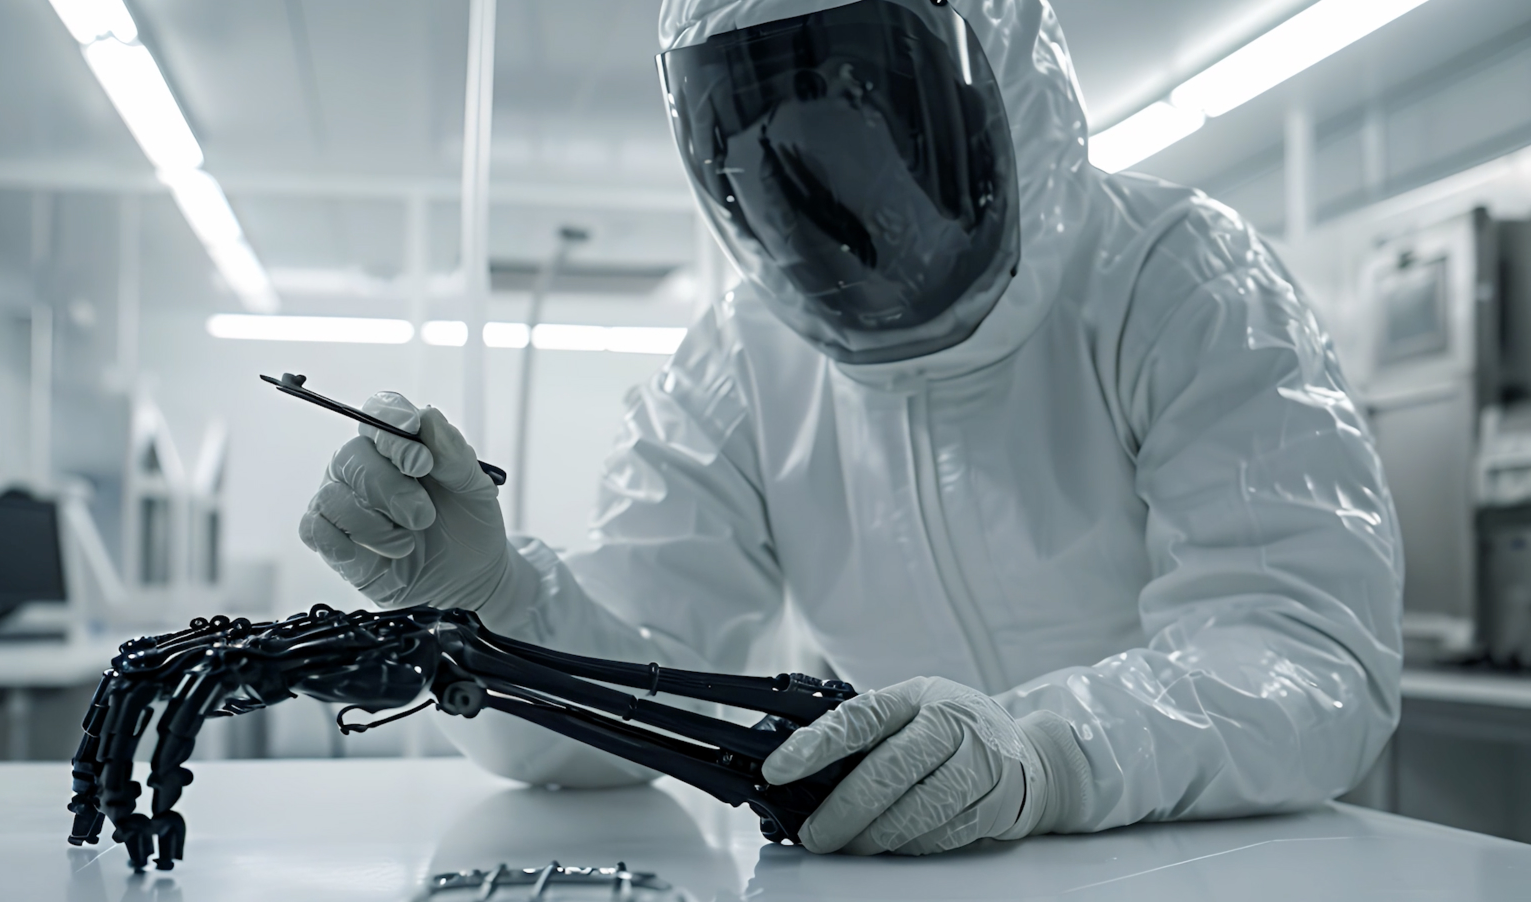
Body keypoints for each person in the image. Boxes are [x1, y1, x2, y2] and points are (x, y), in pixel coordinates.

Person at [298, 0, 1402, 857]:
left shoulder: (1176, 280)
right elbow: (642, 687)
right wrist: (495, 607)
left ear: (998, 80)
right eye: (765, 152)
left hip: (1215, 868)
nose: (823, 211)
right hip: (918, 865)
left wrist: (1055, 751)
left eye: (859, 125)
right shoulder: (745, 361)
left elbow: (1308, 656)